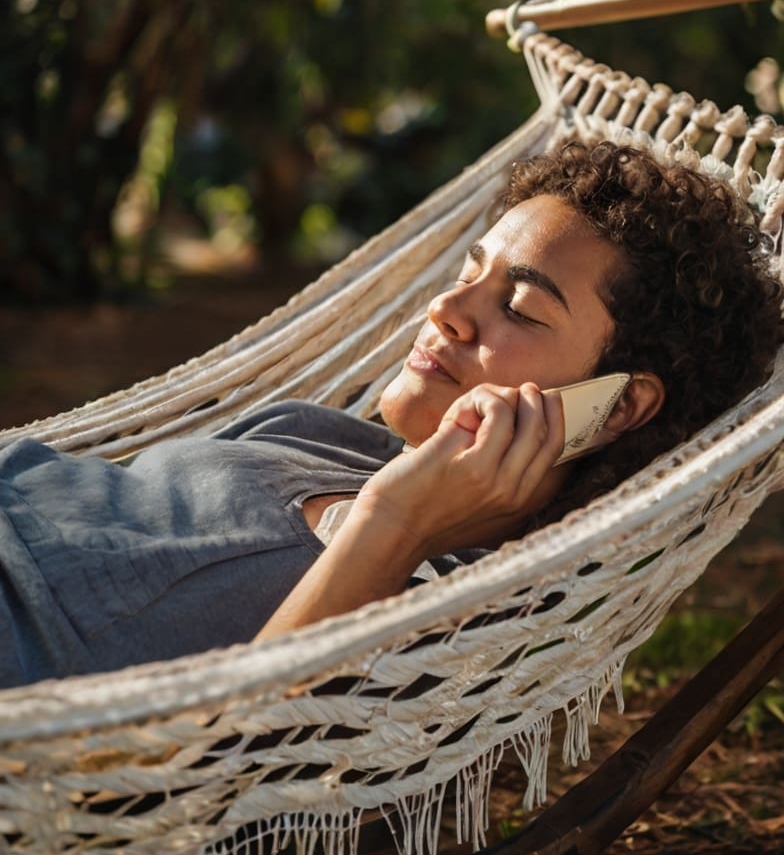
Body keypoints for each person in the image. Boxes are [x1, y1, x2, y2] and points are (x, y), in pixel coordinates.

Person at [1, 140, 781, 687]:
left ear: (618, 408)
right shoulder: (323, 435)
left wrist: (393, 523)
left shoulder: (457, 615)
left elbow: (210, 768)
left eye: (518, 306)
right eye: (469, 274)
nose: (445, 309)